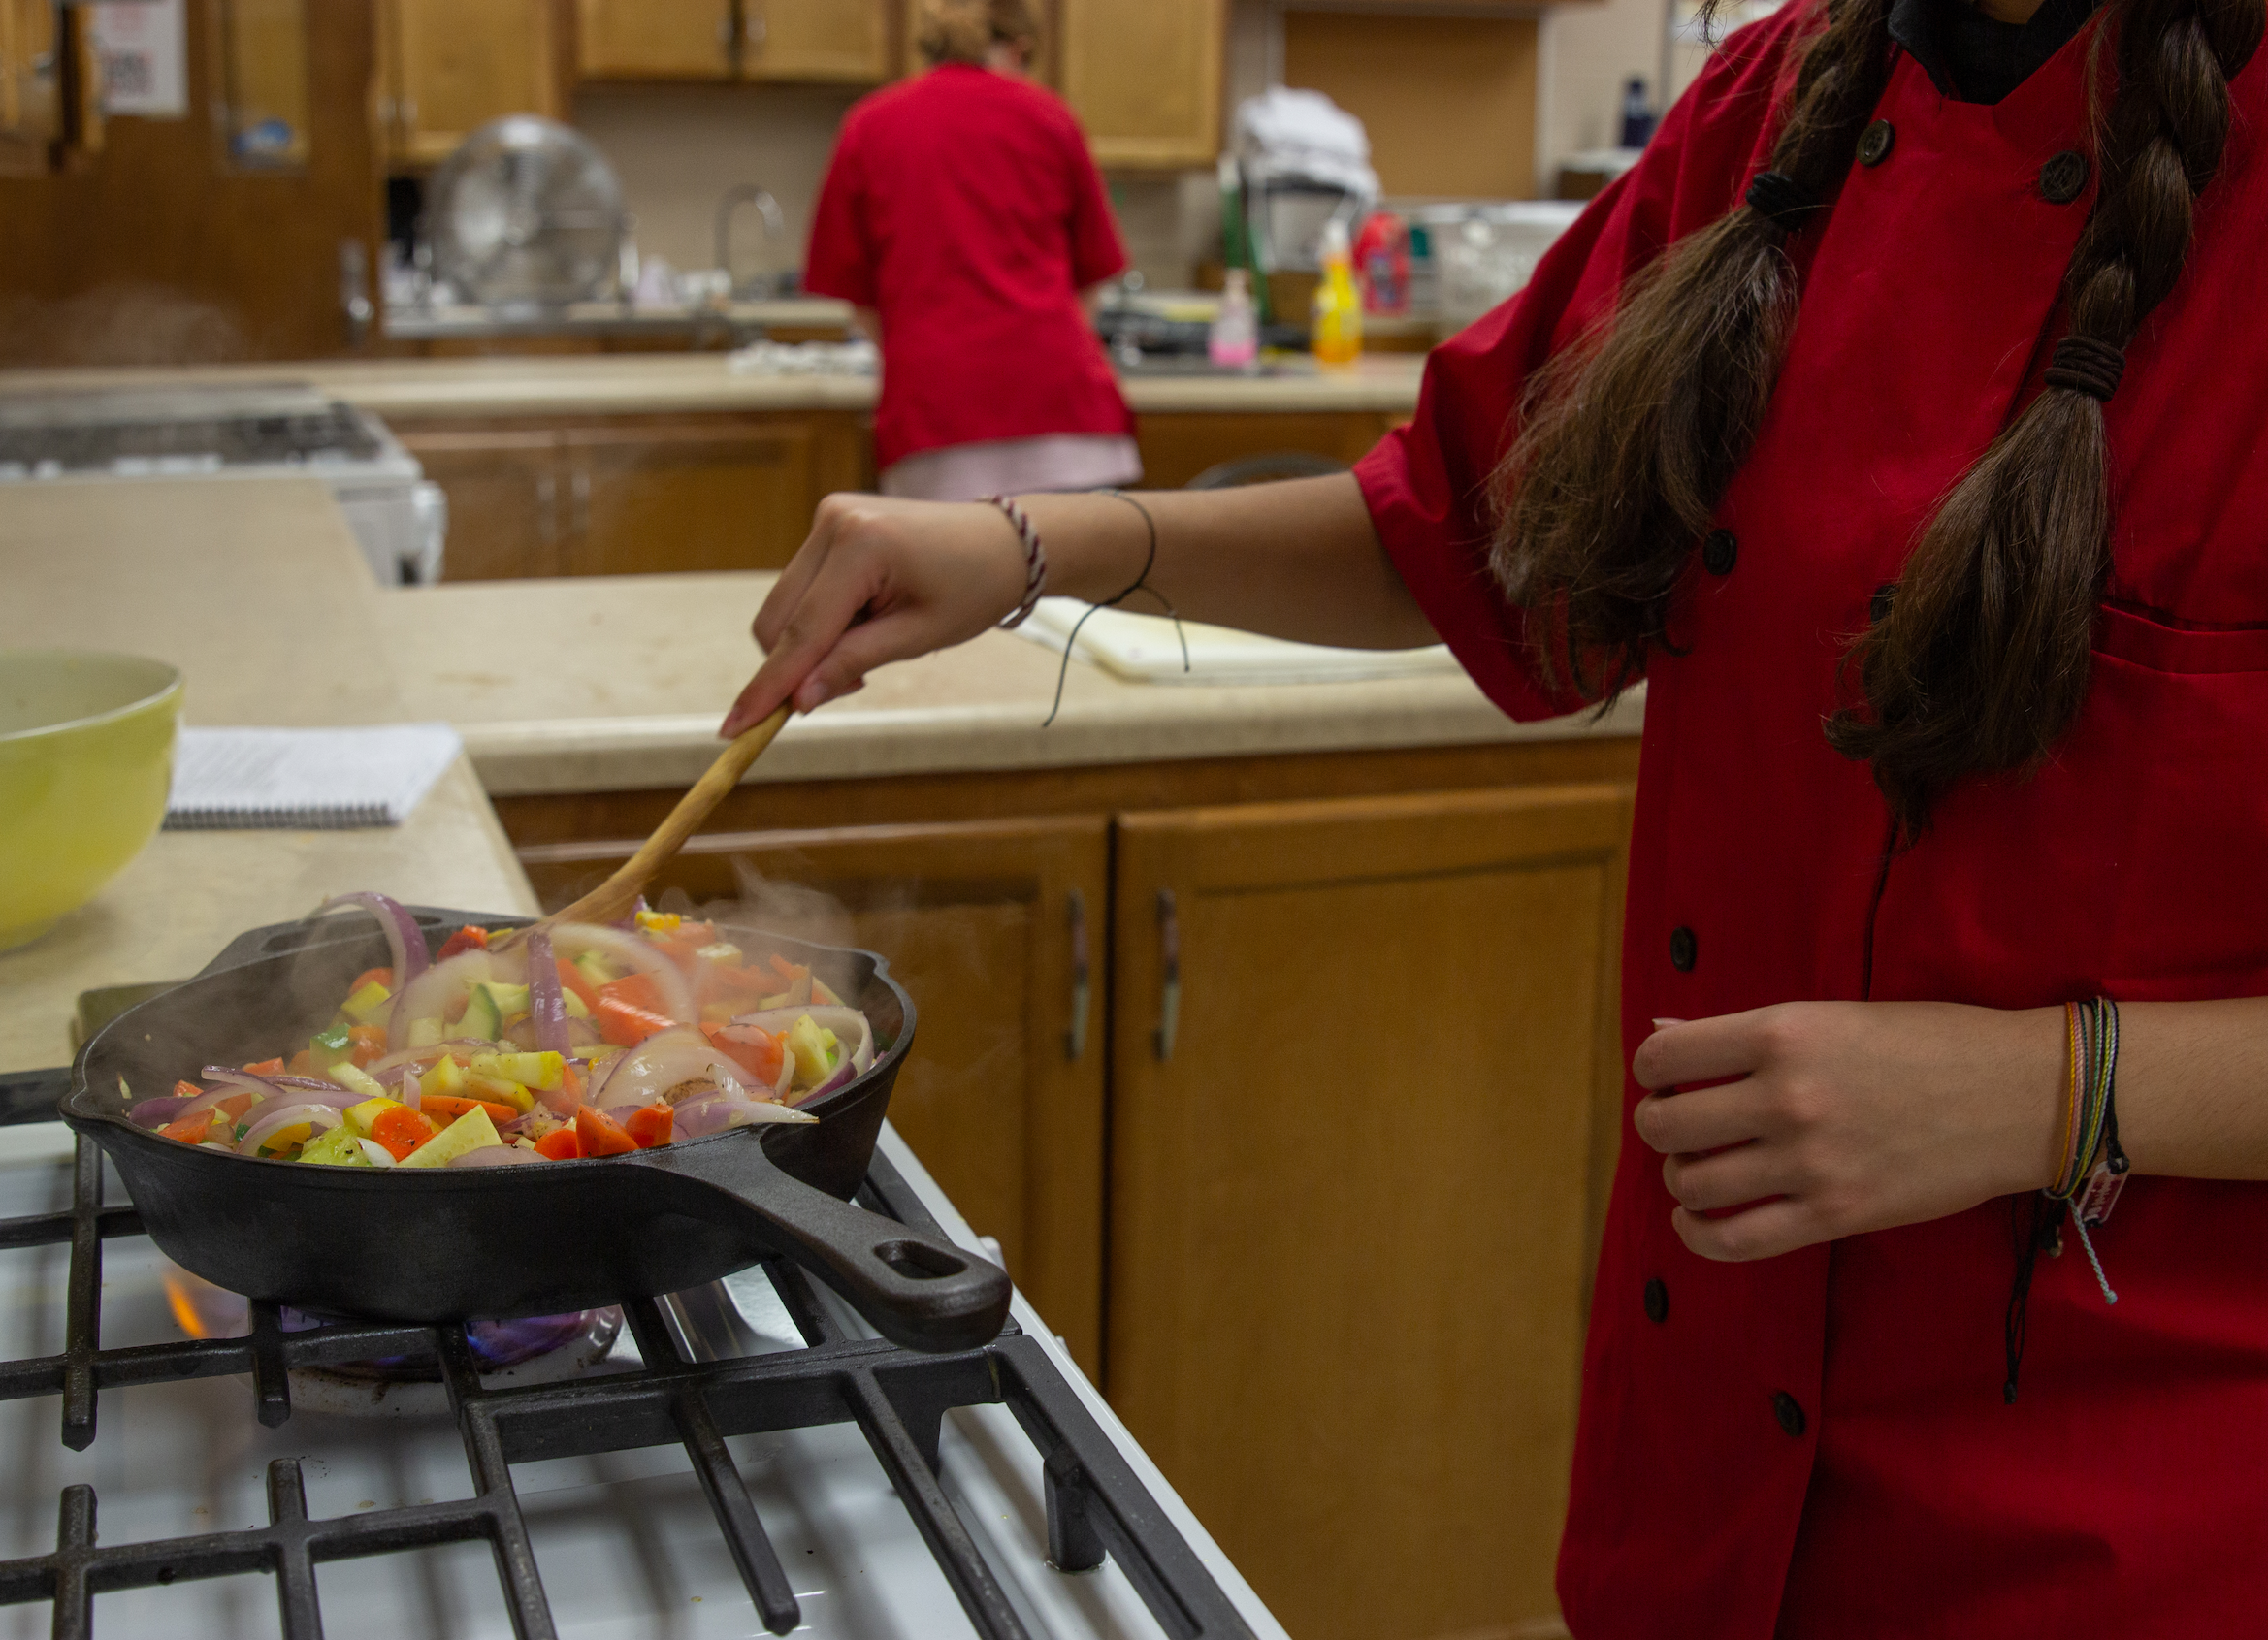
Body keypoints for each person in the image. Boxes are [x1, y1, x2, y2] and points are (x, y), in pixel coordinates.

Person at [727, 0, 2268, 1627]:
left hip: (2132, 1526)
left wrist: (2050, 1090)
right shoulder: (1779, 102)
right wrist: (1032, 546)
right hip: (1697, 1475)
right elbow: (1466, 533)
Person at [803, 0, 1139, 501]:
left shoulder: (870, 125)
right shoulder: (1049, 115)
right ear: (1019, 49)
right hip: (1066, 418)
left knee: (944, 579)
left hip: (935, 424)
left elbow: (859, 300)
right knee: (1073, 579)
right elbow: (1092, 277)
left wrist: (917, 357)